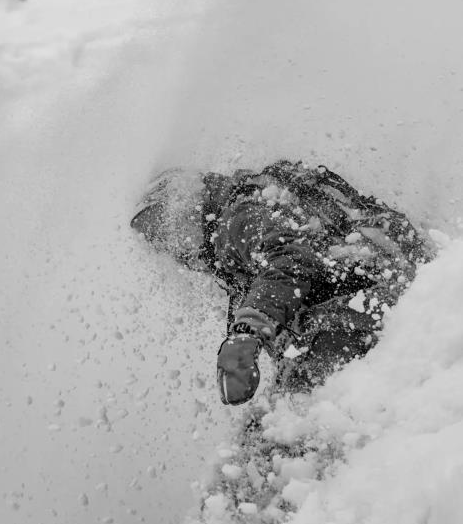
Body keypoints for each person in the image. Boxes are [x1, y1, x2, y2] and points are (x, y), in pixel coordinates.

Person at [131, 159, 433, 406]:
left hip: (354, 313)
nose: (171, 244)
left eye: (165, 225)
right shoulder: (247, 227)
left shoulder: (237, 217)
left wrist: (247, 331)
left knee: (292, 426)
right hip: (379, 303)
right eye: (158, 240)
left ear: (188, 205)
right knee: (281, 422)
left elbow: (291, 260)